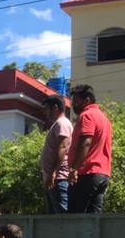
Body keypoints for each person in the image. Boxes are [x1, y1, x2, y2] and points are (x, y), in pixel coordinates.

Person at [67, 84, 114, 214]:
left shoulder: (87, 115)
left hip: (86, 174)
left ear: (86, 101)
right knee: (94, 219)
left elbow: (86, 142)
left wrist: (75, 169)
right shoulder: (104, 119)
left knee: (75, 218)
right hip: (102, 175)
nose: (73, 106)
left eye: (76, 102)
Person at [41, 95, 73, 214]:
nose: (45, 113)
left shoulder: (62, 123)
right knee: (52, 220)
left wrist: (53, 172)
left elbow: (63, 147)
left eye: (47, 109)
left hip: (58, 179)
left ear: (55, 108)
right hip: (53, 179)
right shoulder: (58, 124)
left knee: (61, 217)